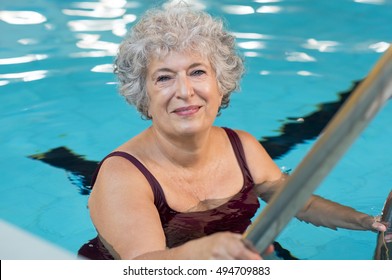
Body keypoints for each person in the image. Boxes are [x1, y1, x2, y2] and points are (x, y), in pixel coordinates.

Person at [78, 2, 386, 260]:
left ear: (220, 83)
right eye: (164, 78)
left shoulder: (243, 147)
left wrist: (366, 222)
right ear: (143, 96)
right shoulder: (122, 176)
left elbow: (297, 202)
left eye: (197, 72)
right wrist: (202, 252)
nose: (185, 91)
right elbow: (143, 267)